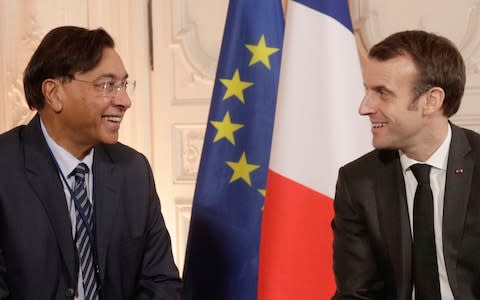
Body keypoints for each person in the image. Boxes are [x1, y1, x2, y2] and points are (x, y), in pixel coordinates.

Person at [0, 26, 182, 299]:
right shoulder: (5, 168)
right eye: (107, 85)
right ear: (54, 93)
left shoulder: (134, 172)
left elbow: (161, 284)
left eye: (123, 85)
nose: (125, 101)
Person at [332, 30, 478, 300]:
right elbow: (357, 293)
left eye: (382, 93)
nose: (364, 107)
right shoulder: (358, 181)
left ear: (431, 101)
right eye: (367, 90)